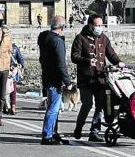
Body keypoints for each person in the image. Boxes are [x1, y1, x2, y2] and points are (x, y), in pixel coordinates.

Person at [71, 14, 124, 142]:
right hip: (86, 79)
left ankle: (94, 132)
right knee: (87, 104)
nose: (100, 28)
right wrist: (87, 61)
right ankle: (79, 127)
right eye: (97, 25)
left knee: (100, 105)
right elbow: (74, 56)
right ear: (90, 25)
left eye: (101, 25)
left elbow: (111, 53)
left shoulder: (104, 38)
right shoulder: (80, 38)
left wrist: (119, 62)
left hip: (100, 78)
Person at [39, 16, 72, 145]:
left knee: (54, 107)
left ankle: (54, 133)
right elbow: (61, 63)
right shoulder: (57, 42)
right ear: (62, 27)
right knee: (53, 108)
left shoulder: (45, 38)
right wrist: (67, 81)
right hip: (54, 79)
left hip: (47, 76)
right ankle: (47, 135)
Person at [6, 43, 24, 115]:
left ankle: (8, 106)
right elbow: (21, 59)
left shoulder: (1, 46)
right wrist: (20, 65)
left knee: (6, 89)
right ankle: (12, 106)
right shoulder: (15, 47)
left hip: (5, 71)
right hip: (13, 71)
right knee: (13, 89)